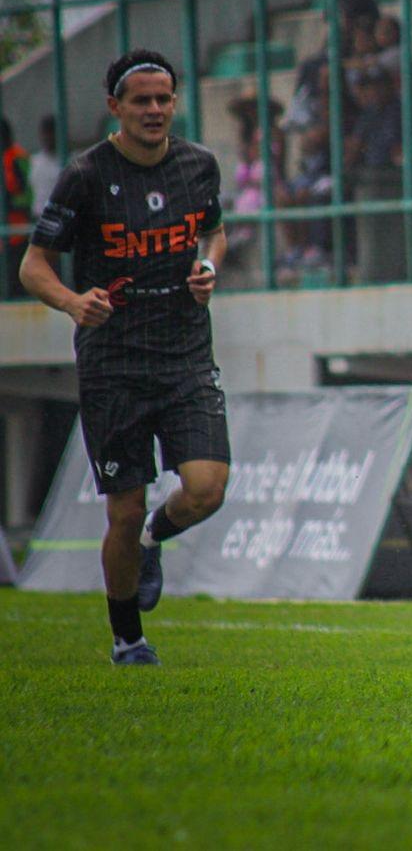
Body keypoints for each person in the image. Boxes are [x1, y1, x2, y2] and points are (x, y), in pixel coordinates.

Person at [20, 49, 231, 667]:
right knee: (123, 505)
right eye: (142, 100)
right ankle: (128, 640)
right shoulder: (86, 176)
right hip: (113, 360)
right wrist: (71, 301)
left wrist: (209, 265)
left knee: (207, 488)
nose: (155, 110)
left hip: (186, 352)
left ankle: (151, 541)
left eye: (164, 99)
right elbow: (34, 265)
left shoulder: (199, 165)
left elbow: (214, 230)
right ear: (115, 106)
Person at [2, 116, 31, 297]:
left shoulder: (17, 157)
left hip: (18, 233)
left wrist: (9, 202)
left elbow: (28, 195)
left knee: (16, 285)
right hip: (5, 236)